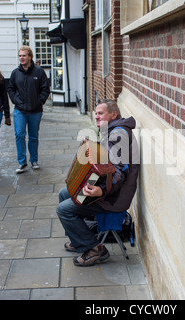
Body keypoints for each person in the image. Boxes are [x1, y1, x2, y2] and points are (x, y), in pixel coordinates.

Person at [56, 99, 139, 267]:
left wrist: (101, 191)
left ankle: (94, 249)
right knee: (64, 193)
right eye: (96, 113)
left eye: (100, 113)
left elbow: (120, 171)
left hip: (114, 198)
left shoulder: (118, 134)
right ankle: (79, 239)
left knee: (64, 210)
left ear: (114, 114)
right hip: (110, 191)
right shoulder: (111, 131)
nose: (96, 116)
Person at [7, 46, 50, 174]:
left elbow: (45, 89)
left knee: (33, 136)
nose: (22, 58)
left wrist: (39, 101)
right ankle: (22, 162)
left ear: (30, 57)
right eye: (20, 55)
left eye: (24, 55)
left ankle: (34, 160)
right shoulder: (15, 73)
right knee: (19, 135)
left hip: (35, 111)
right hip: (20, 110)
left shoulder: (39, 72)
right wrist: (15, 100)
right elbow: (11, 88)